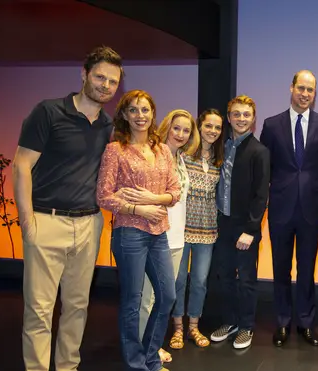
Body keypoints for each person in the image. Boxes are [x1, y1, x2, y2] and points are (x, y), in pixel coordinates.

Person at [13, 46, 122, 371]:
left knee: (77, 306)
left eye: (112, 81)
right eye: (100, 77)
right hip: (46, 222)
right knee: (40, 309)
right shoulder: (48, 112)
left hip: (88, 226)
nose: (105, 85)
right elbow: (21, 166)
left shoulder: (107, 125)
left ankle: (67, 367)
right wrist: (27, 221)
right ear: (84, 74)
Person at [97, 90, 180, 371]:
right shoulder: (115, 150)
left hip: (159, 232)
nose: (140, 116)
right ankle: (136, 363)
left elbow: (174, 191)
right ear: (123, 115)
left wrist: (151, 200)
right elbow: (104, 196)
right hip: (129, 233)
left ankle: (150, 355)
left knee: (167, 296)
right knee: (132, 301)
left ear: (153, 114)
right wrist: (137, 209)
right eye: (133, 110)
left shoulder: (162, 150)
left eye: (145, 110)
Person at [260, 70, 318, 347]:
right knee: (280, 269)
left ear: (315, 94)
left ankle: (305, 321)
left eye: (311, 90)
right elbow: (265, 166)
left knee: (307, 270)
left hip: (311, 210)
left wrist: (316, 187)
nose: (305, 94)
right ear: (291, 88)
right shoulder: (271, 125)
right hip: (280, 208)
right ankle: (282, 321)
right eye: (301, 88)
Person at [135, 109, 199, 363]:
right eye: (177, 128)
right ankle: (144, 348)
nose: (181, 134)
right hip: (156, 236)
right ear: (166, 127)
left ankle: (152, 344)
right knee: (148, 297)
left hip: (176, 239)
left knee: (163, 298)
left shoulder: (180, 158)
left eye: (186, 130)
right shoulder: (155, 155)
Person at [209, 95, 270, 349]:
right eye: (236, 114)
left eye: (246, 114)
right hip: (223, 223)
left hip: (245, 228)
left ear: (253, 118)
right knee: (225, 276)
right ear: (229, 117)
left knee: (246, 278)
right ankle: (229, 321)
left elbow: (261, 195)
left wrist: (251, 230)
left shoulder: (259, 151)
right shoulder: (222, 147)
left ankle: (246, 326)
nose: (241, 119)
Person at [169, 109, 224, 350]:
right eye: (208, 126)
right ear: (199, 127)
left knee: (200, 281)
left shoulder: (220, 159)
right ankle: (178, 329)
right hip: (180, 228)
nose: (212, 131)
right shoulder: (182, 155)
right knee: (179, 280)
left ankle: (194, 326)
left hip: (208, 229)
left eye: (218, 127)